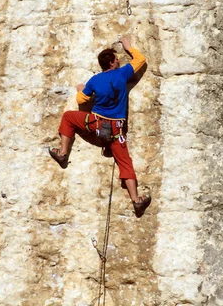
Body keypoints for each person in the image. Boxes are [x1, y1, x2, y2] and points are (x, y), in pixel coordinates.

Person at [49, 37, 152, 218]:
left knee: (68, 117)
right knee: (125, 163)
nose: (119, 60)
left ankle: (63, 153)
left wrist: (82, 89)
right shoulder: (122, 74)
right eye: (116, 58)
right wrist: (129, 47)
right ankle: (136, 200)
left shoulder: (95, 80)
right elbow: (140, 60)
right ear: (112, 63)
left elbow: (81, 100)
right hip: (117, 129)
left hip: (96, 123)